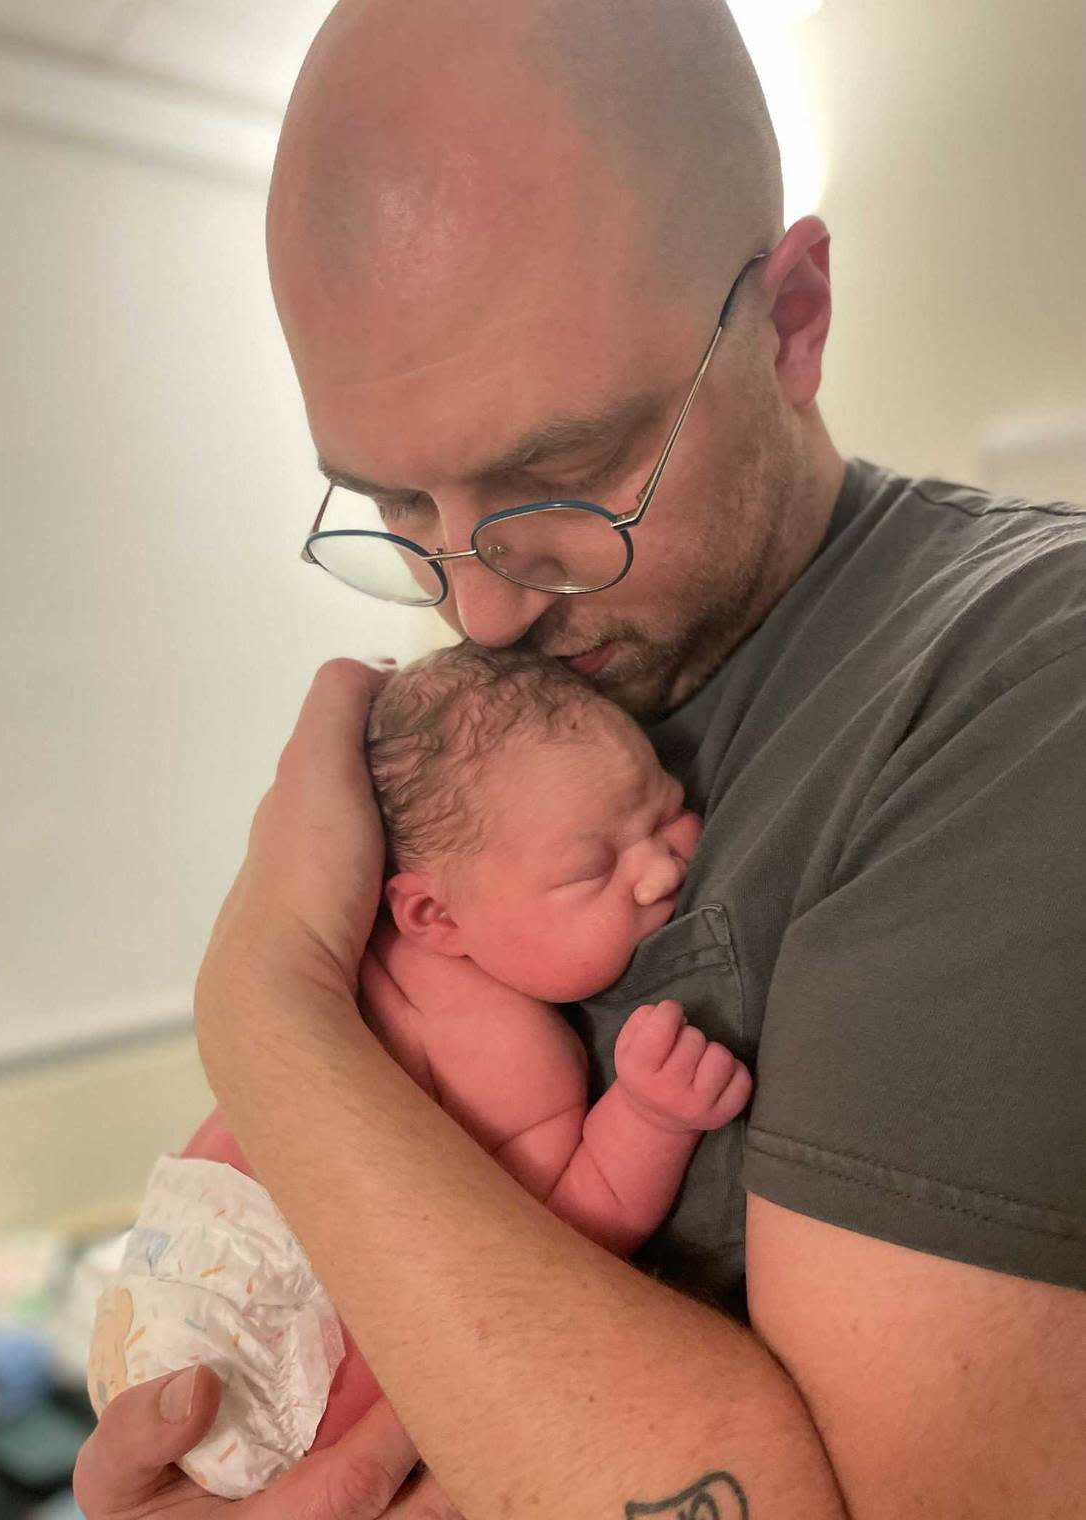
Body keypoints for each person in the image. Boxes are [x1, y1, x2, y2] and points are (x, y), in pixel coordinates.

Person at [74, 0, 1086, 1516]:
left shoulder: (1018, 680)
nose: (477, 607)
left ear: (794, 318)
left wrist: (265, 1007)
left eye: (561, 478)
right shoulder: (472, 719)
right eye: (401, 511)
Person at [86, 644, 751, 1496]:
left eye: (665, 812)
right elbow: (567, 1247)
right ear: (433, 912)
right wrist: (651, 1118)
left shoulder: (342, 936)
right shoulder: (516, 1055)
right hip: (291, 1367)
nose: (663, 869)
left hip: (162, 1319)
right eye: (593, 867)